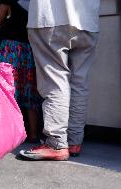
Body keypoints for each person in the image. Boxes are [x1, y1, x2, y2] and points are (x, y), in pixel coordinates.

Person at [19, 0, 100, 160]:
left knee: (55, 80)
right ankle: (74, 141)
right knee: (79, 82)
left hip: (50, 17)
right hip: (88, 21)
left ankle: (56, 143)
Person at [0, 0, 41, 142]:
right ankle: (33, 134)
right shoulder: (36, 2)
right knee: (29, 91)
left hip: (11, 48)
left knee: (8, 90)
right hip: (29, 48)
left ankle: (9, 134)